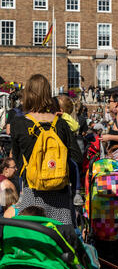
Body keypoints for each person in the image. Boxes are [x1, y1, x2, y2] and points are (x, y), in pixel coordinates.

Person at [10, 74, 83, 225]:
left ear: (28, 94)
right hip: (60, 195)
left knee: (34, 239)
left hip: (33, 192)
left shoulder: (19, 123)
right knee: (61, 242)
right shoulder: (60, 123)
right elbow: (77, 157)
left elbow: (17, 158)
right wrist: (57, 168)